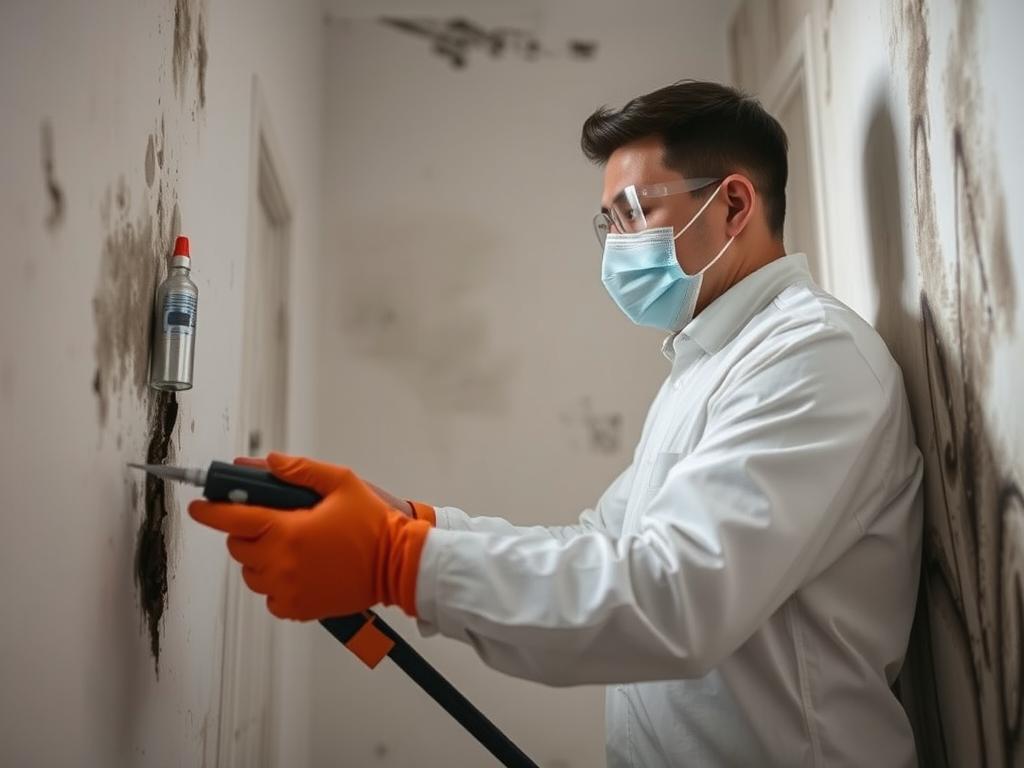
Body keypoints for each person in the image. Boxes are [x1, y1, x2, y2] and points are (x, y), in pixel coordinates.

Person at [190, 80, 923, 767]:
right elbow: (605, 543)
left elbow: (673, 598)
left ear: (734, 206)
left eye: (634, 211)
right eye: (608, 221)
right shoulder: (708, 362)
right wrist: (415, 523)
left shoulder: (811, 359)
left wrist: (399, 561)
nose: (614, 243)